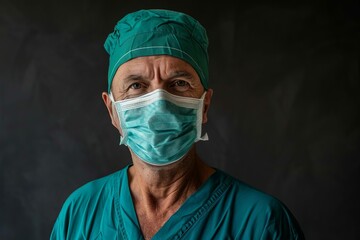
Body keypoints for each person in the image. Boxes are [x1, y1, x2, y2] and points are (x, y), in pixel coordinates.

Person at [50, 9, 305, 240]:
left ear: (204, 105)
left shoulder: (259, 223)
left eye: (179, 84)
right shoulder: (81, 214)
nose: (159, 104)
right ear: (112, 110)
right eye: (136, 86)